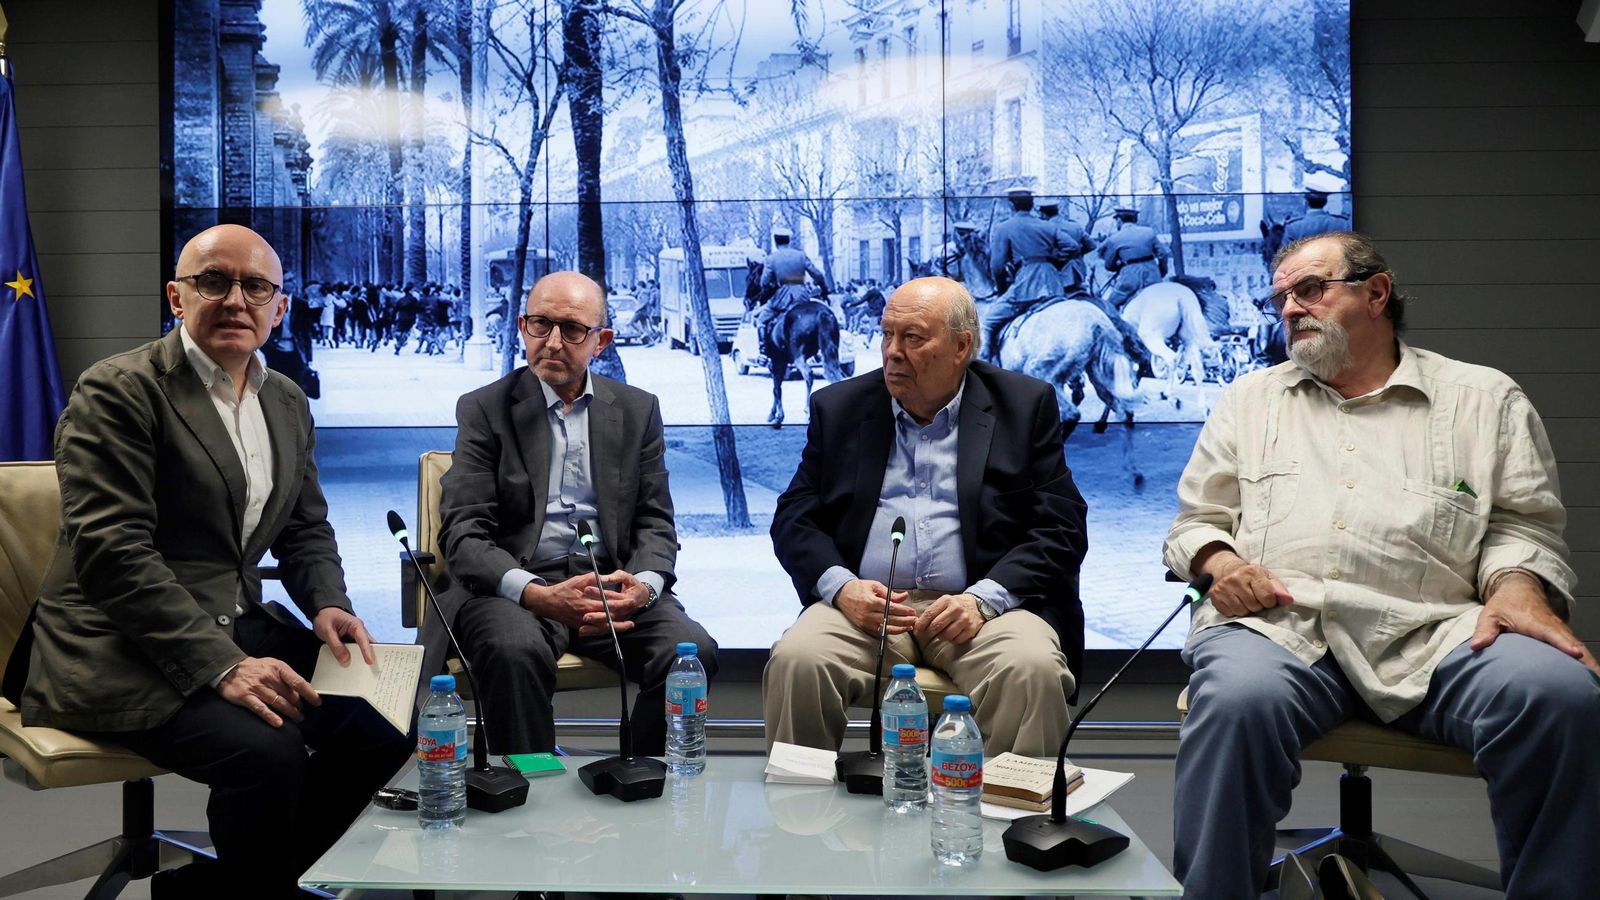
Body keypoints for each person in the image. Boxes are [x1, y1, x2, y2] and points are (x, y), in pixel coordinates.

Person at [1167, 231, 1600, 899]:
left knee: (1560, 696)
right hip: (1285, 631)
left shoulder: (1484, 400)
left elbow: (1522, 524)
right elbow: (1196, 523)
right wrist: (1220, 563)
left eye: (1309, 290)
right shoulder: (1250, 401)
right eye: (1279, 297)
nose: (1288, 310)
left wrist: (1517, 584)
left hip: (1436, 633)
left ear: (1377, 293)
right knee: (1236, 701)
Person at [11, 224, 411, 898]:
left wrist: (329, 605)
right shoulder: (117, 391)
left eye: (256, 286)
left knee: (390, 724)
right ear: (176, 296)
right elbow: (114, 556)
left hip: (233, 620)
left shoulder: (284, 399)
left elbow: (306, 526)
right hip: (115, 640)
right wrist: (223, 665)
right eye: (213, 281)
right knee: (268, 752)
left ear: (279, 307)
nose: (236, 300)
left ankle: (233, 885)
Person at [763, 276, 1087, 757]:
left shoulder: (1023, 405)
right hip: (868, 610)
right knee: (798, 658)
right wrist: (842, 588)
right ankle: (799, 820)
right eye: (887, 335)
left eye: (912, 338)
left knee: (1031, 668)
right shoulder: (841, 408)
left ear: (962, 347)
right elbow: (794, 518)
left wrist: (984, 601)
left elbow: (1061, 527)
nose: (893, 352)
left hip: (983, 613)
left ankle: (1013, 823)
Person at [432, 271, 718, 755]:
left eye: (572, 329)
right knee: (512, 650)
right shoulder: (484, 409)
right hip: (516, 590)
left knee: (691, 653)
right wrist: (538, 594)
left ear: (601, 340)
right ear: (522, 326)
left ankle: (643, 777)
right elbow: (464, 533)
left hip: (610, 586)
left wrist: (644, 587)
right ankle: (531, 789)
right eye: (540, 325)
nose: (553, 342)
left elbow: (655, 522)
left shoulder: (636, 410)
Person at [981, 189, 1065, 363]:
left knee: (987, 322)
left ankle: (984, 362)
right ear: (1032, 205)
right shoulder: (1048, 225)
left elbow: (997, 266)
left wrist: (1003, 289)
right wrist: (1053, 260)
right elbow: (1072, 246)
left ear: (1012, 205)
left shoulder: (1004, 227)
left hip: (1026, 285)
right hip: (1053, 283)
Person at [754, 226, 829, 351]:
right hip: (802, 296)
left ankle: (763, 349)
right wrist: (824, 289)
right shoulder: (801, 255)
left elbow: (764, 283)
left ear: (775, 241)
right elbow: (818, 275)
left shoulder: (770, 259)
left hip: (781, 298)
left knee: (761, 321)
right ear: (789, 240)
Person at [1098, 206, 1169, 309]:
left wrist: (1119, 264)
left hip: (1129, 280)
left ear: (1119, 220)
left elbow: (1109, 266)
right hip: (1153, 276)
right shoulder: (1149, 232)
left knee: (1109, 306)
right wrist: (1161, 271)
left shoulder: (1114, 239)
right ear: (1135, 219)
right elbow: (1163, 254)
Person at [1038, 199, 1096, 297]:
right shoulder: (1075, 226)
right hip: (1076, 271)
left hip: (1053, 272)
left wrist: (1059, 257)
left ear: (1044, 214)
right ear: (1057, 211)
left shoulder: (1044, 228)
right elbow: (1092, 245)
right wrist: (1077, 254)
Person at [1281, 187, 1351, 244]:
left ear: (1306, 202)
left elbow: (1285, 255)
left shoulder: (1293, 227)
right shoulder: (1342, 223)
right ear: (1326, 202)